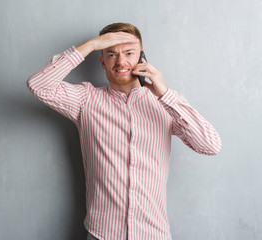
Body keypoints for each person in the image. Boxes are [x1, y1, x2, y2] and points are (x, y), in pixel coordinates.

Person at [26, 22, 221, 240]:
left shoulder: (166, 104)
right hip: (102, 234)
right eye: (111, 54)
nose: (121, 61)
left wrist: (165, 94)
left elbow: (210, 145)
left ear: (142, 58)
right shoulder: (85, 100)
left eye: (129, 53)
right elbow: (38, 85)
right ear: (102, 61)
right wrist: (91, 45)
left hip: (153, 234)